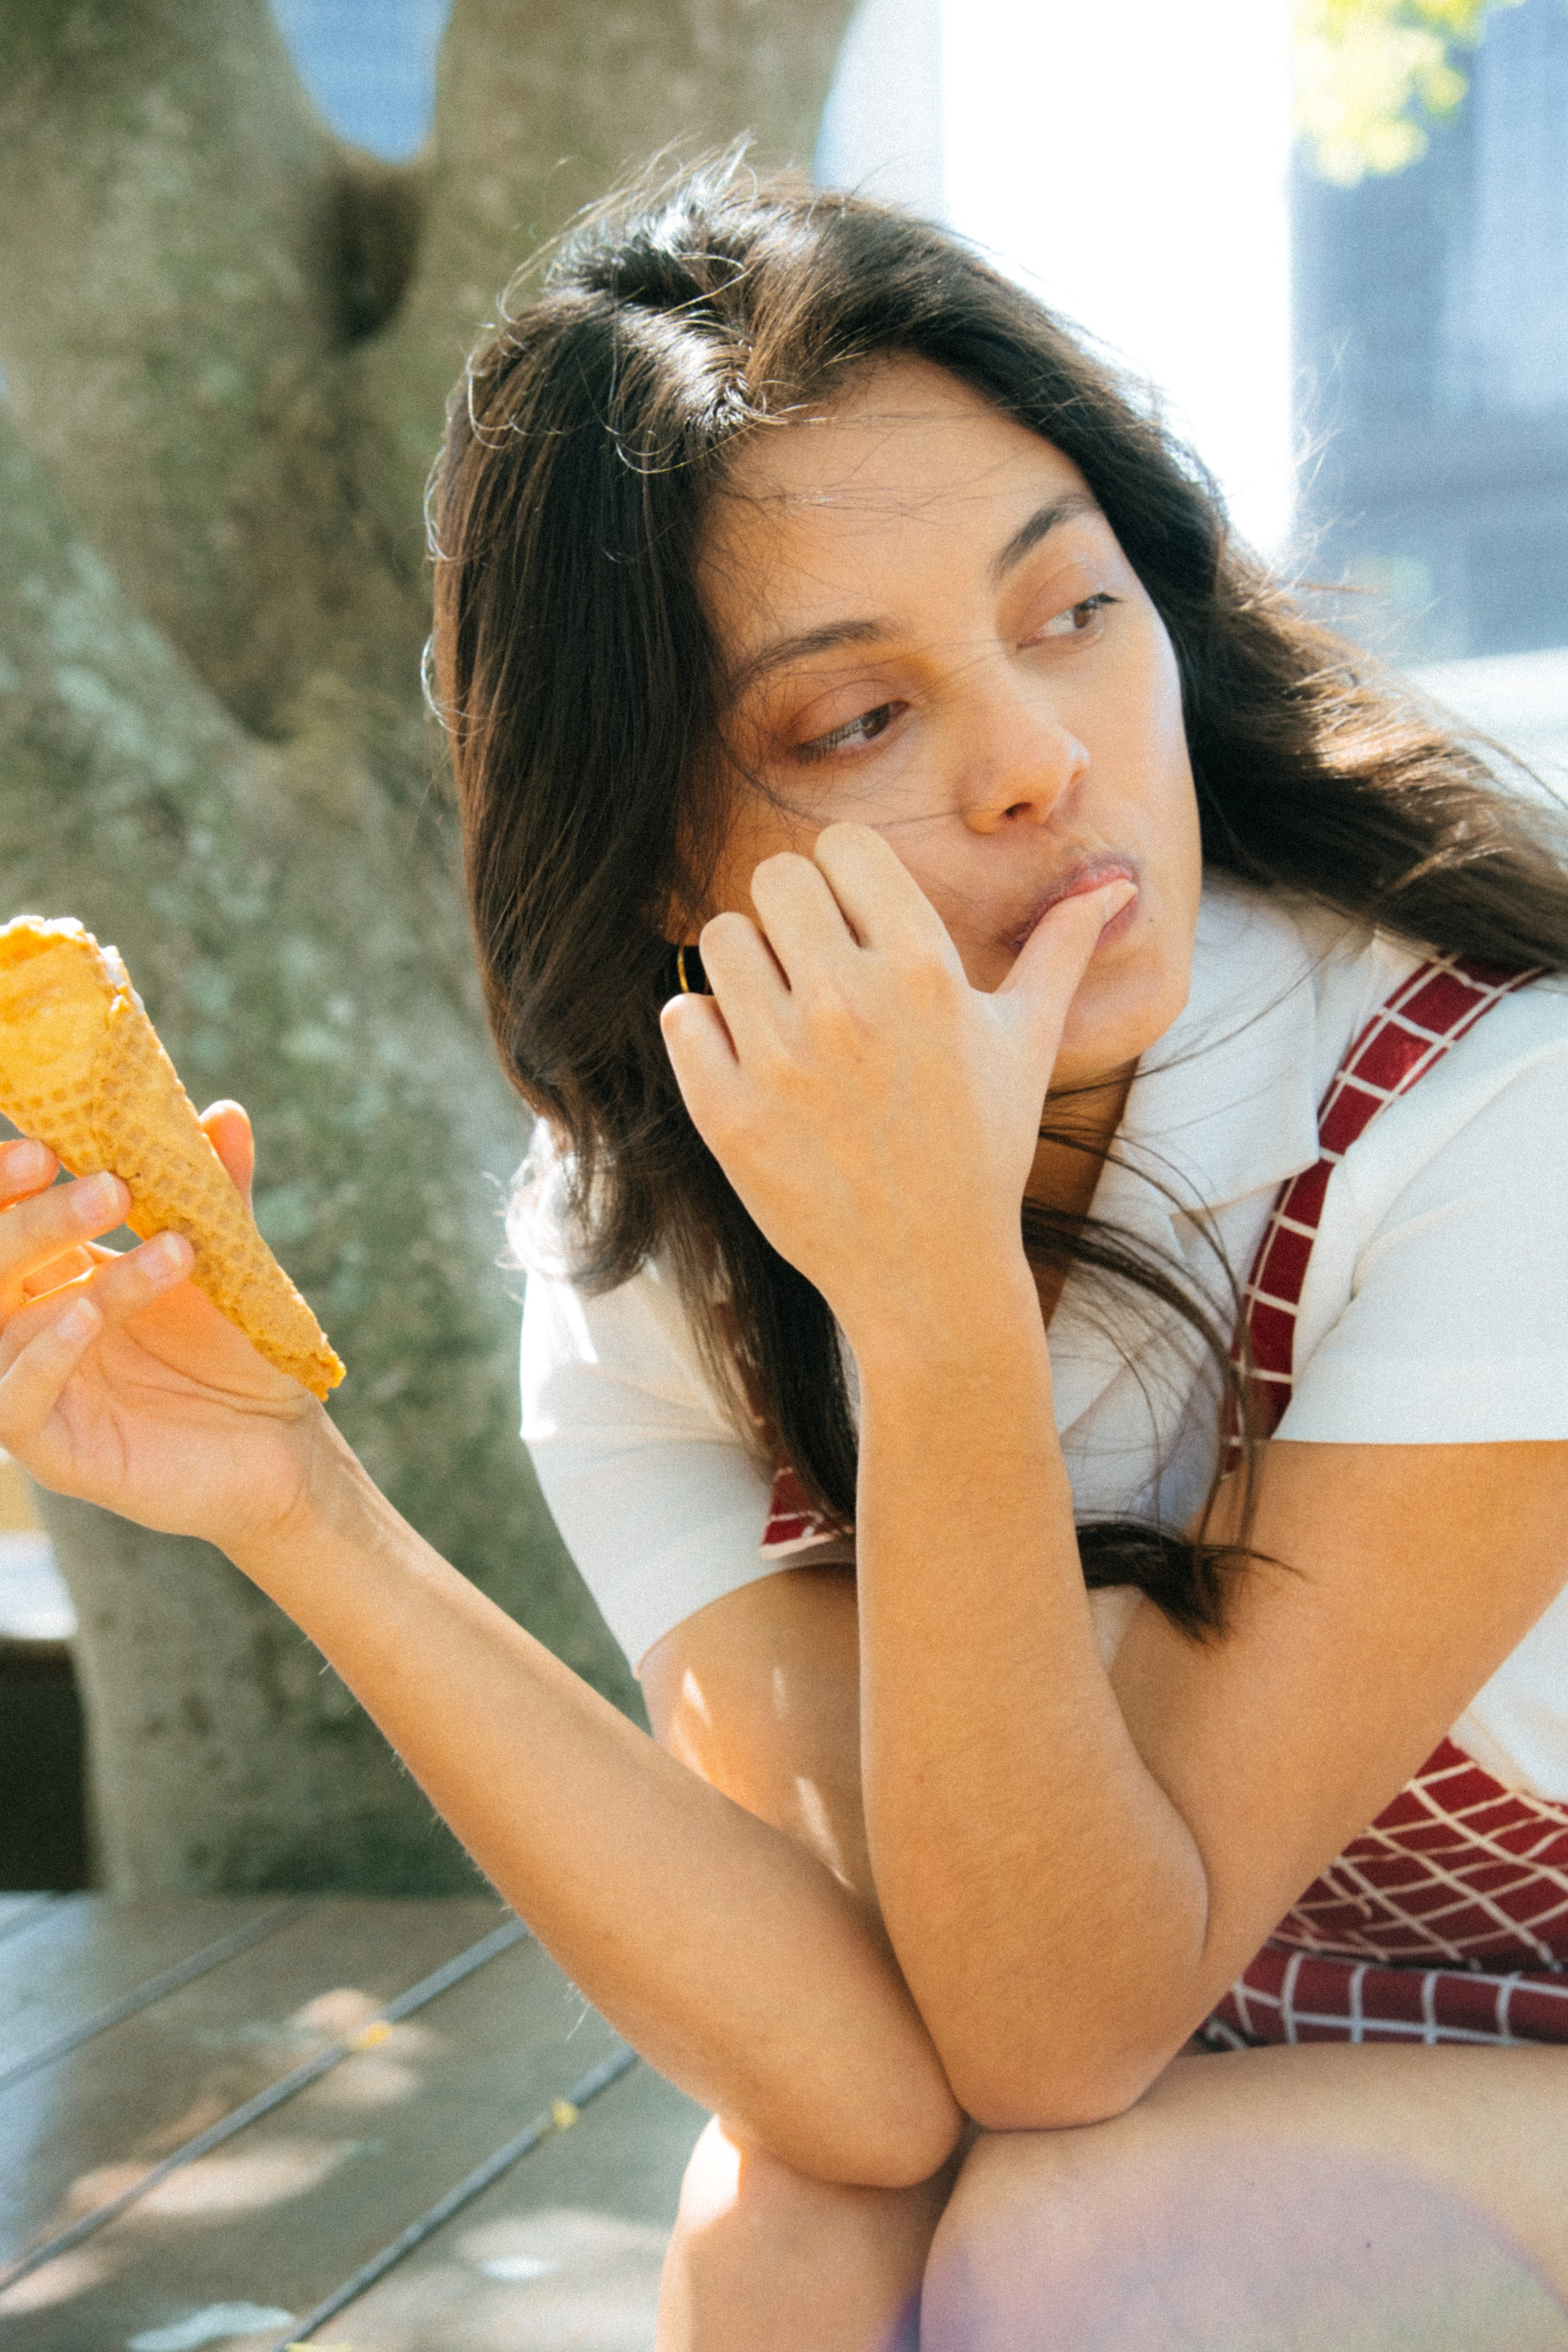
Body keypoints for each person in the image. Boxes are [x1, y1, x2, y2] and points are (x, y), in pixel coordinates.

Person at [3, 164, 1568, 2348]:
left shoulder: (1493, 1116)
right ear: (657, 853)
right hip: (1192, 2082)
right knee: (801, 2223)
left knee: (1083, 2250)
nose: (1041, 765)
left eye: (1071, 611)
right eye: (859, 722)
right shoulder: (649, 1251)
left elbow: (1053, 2046)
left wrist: (928, 1300)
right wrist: (300, 1505)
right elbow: (867, 2082)